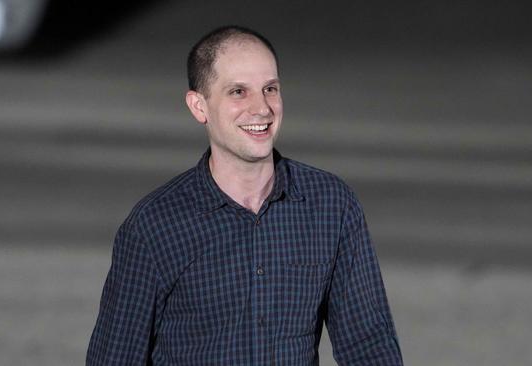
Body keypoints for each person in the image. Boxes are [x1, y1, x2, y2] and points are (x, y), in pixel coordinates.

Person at [86, 25, 403, 365]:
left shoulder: (331, 206)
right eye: (238, 92)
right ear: (199, 106)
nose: (262, 108)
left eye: (270, 89)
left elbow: (369, 346)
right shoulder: (155, 226)